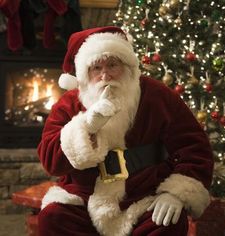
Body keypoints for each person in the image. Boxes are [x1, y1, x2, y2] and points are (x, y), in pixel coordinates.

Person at [37, 26, 214, 236]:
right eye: (96, 68)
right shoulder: (69, 103)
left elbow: (194, 148)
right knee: (53, 217)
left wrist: (175, 194)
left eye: (113, 64)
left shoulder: (157, 96)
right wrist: (87, 127)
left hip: (144, 195)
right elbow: (50, 161)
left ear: (128, 67)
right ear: (84, 75)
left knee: (169, 223)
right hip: (84, 198)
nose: (105, 75)